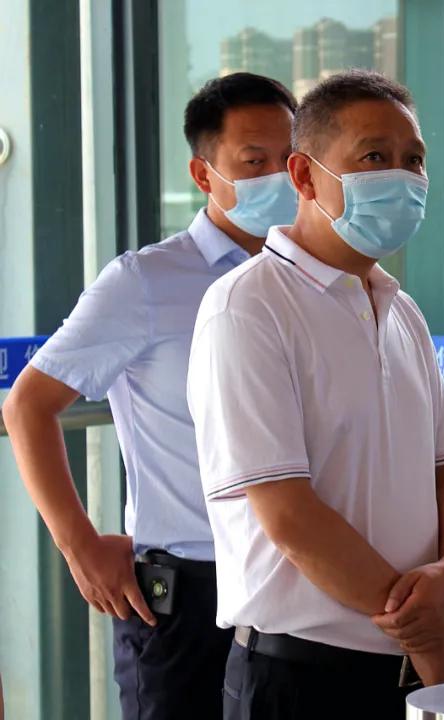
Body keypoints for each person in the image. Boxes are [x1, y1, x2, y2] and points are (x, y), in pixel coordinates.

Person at [187, 69, 444, 719]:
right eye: (374, 157)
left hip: (407, 667)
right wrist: (429, 635)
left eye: (414, 160)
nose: (402, 177)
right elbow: (289, 513)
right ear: (303, 175)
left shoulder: (400, 310)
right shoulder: (248, 307)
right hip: (300, 676)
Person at [1, 72, 297, 719]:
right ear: (203, 174)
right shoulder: (146, 281)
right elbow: (27, 405)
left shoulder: (306, 277)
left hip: (297, 583)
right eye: (254, 162)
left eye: (289, 157)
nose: (278, 176)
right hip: (188, 592)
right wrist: (80, 546)